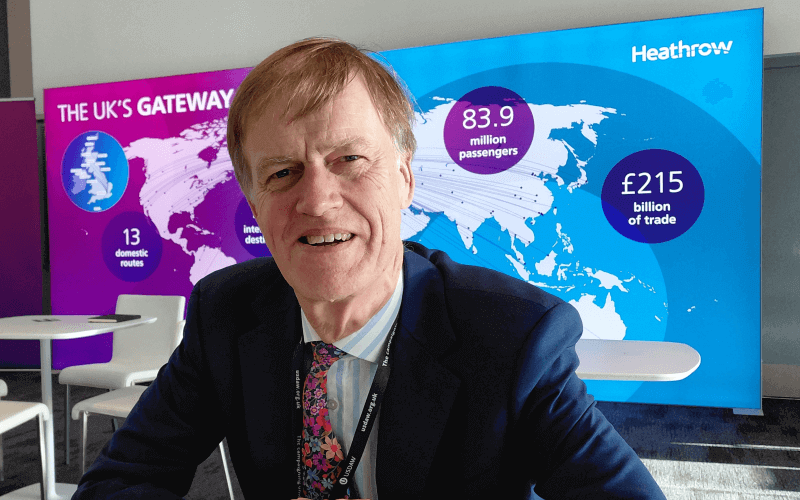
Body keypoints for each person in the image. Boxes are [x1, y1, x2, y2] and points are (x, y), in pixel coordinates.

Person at [73, 37, 666, 499]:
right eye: (282, 173)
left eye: (348, 159)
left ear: (404, 179)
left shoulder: (512, 336)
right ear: (255, 205)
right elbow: (121, 480)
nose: (317, 200)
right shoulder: (225, 314)